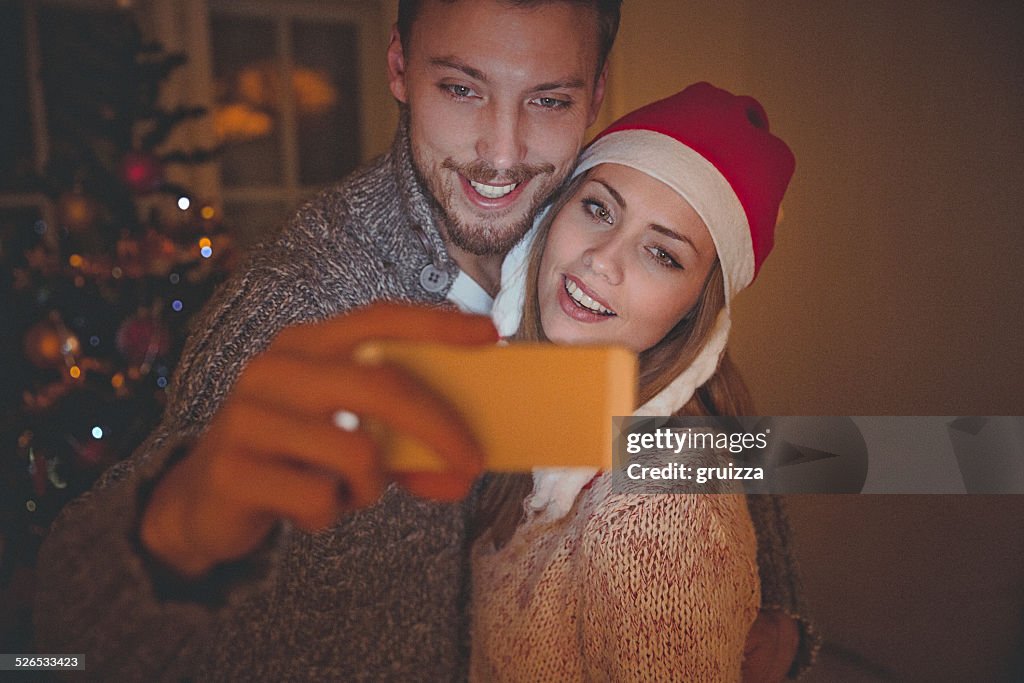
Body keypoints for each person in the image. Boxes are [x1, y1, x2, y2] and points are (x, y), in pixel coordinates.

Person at [33, 1, 807, 680]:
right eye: (461, 87)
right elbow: (63, 642)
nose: (501, 156)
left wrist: (777, 627)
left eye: (548, 99)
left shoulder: (594, 248)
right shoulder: (301, 308)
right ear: (400, 64)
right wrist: (167, 534)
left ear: (595, 97)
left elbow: (716, 440)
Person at [470, 83, 817, 680]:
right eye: (599, 208)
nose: (603, 259)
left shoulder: (656, 511)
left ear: (696, 311)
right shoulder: (533, 411)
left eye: (663, 254)